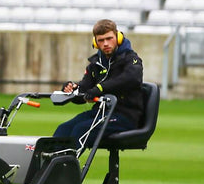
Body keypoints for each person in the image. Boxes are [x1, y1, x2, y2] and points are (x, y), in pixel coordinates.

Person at [53, 19, 144, 148]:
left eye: (109, 38)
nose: (106, 43)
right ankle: (50, 166)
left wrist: (100, 88)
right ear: (95, 42)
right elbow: (84, 93)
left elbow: (131, 78)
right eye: (101, 40)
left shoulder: (131, 59)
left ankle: (66, 165)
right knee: (63, 129)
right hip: (100, 113)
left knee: (81, 130)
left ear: (118, 37)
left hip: (125, 116)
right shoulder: (95, 64)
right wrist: (72, 89)